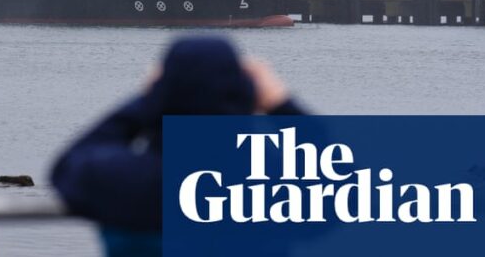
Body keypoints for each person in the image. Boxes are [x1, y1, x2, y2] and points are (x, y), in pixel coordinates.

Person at [51, 37, 306, 257]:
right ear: (247, 94)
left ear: (161, 94)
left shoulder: (119, 180)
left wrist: (150, 98)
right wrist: (280, 103)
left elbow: (67, 166)